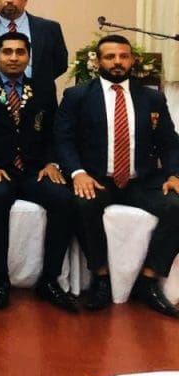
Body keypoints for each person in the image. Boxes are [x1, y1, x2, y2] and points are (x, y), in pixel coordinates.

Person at [55, 34, 179, 317]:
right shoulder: (78, 96)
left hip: (142, 180)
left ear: (132, 60)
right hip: (98, 178)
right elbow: (63, 140)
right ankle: (101, 277)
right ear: (98, 61)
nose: (117, 62)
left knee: (177, 206)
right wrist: (77, 173)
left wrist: (174, 174)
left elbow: (170, 142)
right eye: (110, 57)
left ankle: (148, 281)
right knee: (83, 204)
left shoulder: (152, 97)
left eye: (123, 56)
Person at [0, 33, 78, 311]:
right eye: (7, 52)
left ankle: (49, 280)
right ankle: (0, 278)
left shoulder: (43, 89)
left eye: (19, 52)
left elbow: (54, 132)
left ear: (28, 58)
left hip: (34, 170)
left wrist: (52, 162)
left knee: (64, 200)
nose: (13, 57)